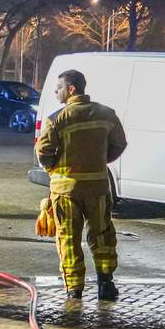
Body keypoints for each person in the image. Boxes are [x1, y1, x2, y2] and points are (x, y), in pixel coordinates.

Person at [35, 69, 127, 301]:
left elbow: (43, 152)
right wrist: (99, 160)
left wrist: (55, 169)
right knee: (102, 234)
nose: (56, 92)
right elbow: (119, 144)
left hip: (66, 191)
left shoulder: (57, 119)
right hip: (97, 188)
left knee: (68, 238)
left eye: (59, 88)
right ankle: (105, 284)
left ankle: (74, 290)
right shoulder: (106, 114)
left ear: (71, 89)